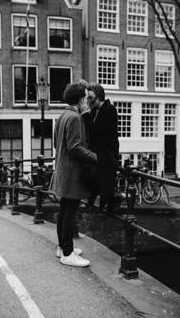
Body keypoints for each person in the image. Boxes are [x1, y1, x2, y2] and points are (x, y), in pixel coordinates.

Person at [51, 81, 97, 267]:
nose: (87, 101)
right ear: (79, 100)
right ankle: (67, 254)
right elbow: (75, 147)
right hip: (72, 174)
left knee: (64, 210)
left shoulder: (63, 115)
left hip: (62, 170)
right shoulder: (75, 118)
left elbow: (57, 144)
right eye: (85, 98)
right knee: (70, 212)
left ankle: (62, 247)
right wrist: (96, 157)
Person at [84, 83, 119, 214]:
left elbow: (98, 131)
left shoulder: (109, 109)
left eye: (90, 98)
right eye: (88, 98)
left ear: (99, 97)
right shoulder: (94, 112)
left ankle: (109, 204)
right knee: (87, 173)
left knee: (106, 183)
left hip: (107, 154)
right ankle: (96, 199)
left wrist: (85, 114)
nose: (88, 101)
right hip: (98, 153)